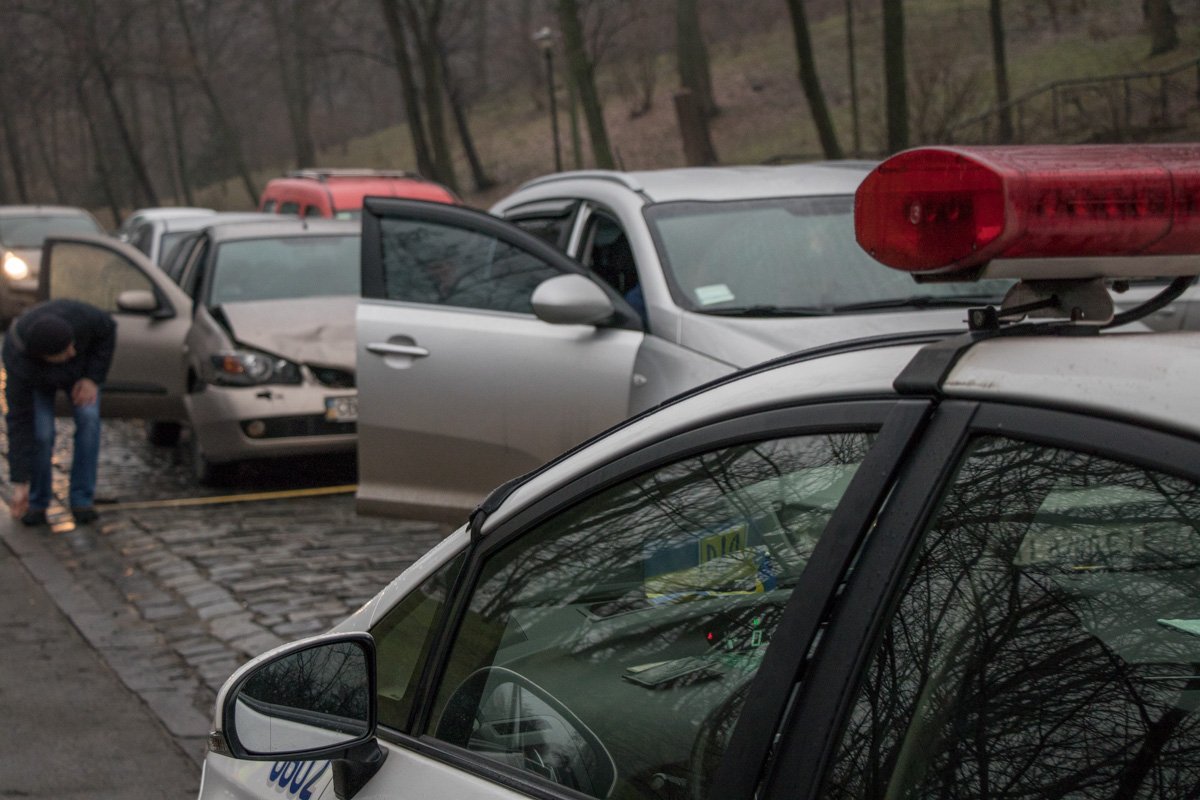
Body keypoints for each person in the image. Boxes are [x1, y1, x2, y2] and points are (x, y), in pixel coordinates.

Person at [3, 299, 116, 526]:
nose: (72, 351)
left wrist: (93, 379)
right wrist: (19, 483)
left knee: (89, 419)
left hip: (82, 374)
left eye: (72, 344)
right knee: (41, 433)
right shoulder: (18, 361)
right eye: (65, 351)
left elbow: (108, 330)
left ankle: (82, 500)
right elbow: (18, 421)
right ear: (44, 356)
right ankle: (37, 503)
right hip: (37, 382)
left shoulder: (83, 317)